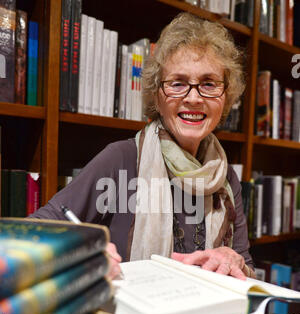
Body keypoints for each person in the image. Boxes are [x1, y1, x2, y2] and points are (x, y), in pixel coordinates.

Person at [30, 12, 256, 280]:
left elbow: (249, 271)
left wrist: (235, 262)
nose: (193, 98)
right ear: (157, 97)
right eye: (177, 83)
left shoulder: (226, 177)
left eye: (208, 84)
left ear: (225, 97)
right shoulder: (121, 159)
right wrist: (82, 253)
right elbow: (33, 233)